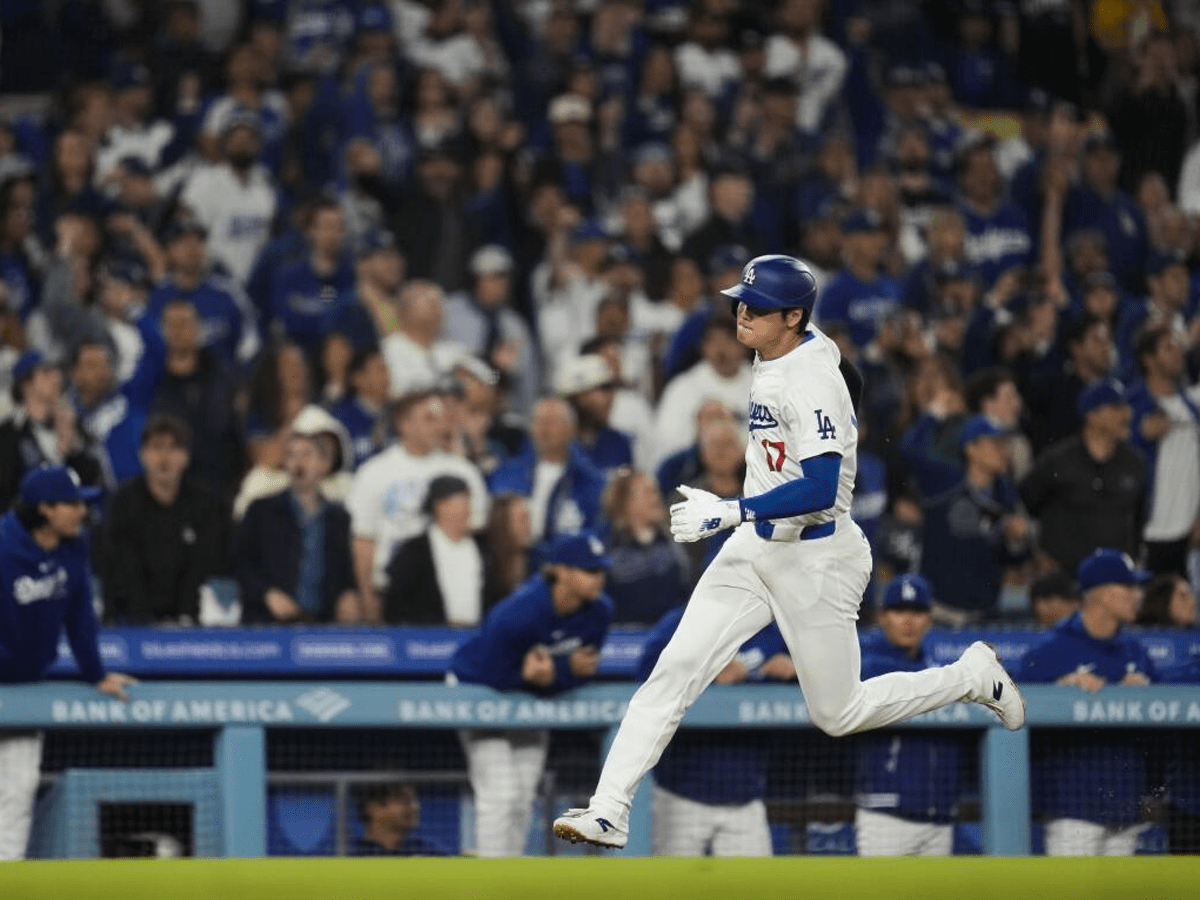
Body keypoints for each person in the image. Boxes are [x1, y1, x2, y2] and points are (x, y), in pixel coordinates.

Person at [553, 255, 1025, 850]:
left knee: (838, 713)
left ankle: (969, 677)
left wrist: (731, 509)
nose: (741, 313)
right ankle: (609, 808)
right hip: (755, 546)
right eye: (740, 302)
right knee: (672, 671)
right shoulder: (782, 347)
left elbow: (824, 487)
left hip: (817, 557)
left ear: (794, 316)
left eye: (757, 307)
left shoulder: (811, 378)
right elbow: (841, 370)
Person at [0, 466, 137, 860]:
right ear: (45, 509)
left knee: (19, 791)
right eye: (73, 505)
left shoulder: (74, 547)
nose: (82, 512)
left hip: (26, 690)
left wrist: (95, 673)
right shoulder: (4, 548)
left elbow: (80, 616)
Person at [449, 531, 614, 858]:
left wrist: (555, 674)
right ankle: (489, 884)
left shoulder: (600, 612)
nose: (599, 579)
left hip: (533, 696)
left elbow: (581, 673)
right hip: (479, 689)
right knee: (500, 792)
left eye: (600, 570)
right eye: (589, 570)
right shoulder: (517, 614)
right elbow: (490, 673)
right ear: (561, 572)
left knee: (523, 793)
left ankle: (510, 880)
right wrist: (541, 675)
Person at [1019, 548, 1157, 856]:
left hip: (1125, 807)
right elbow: (1008, 704)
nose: (1138, 595)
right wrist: (1057, 690)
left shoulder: (1136, 652)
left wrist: (1145, 694)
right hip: (1072, 810)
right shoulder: (1051, 649)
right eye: (1130, 587)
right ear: (1104, 595)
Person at [641, 608, 793, 857]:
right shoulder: (680, 623)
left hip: (745, 796)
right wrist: (708, 671)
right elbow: (647, 675)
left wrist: (794, 672)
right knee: (672, 890)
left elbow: (818, 672)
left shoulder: (771, 631)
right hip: (682, 795)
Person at [346, 389, 488, 622]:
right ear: (404, 423)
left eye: (440, 419)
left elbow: (477, 532)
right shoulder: (374, 473)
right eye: (428, 419)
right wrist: (366, 595)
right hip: (391, 588)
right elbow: (363, 539)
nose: (438, 427)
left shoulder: (462, 471)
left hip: (447, 590)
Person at [855, 574, 964, 856]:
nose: (908, 620)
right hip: (886, 816)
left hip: (939, 816)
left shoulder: (937, 668)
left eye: (917, 612)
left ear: (929, 619)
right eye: (899, 610)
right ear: (882, 617)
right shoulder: (866, 663)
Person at [99, 413, 231, 624]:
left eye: (173, 448)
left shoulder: (207, 506)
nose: (164, 457)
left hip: (190, 623)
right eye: (156, 447)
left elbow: (203, 567)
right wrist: (146, 623)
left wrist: (184, 619)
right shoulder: (122, 504)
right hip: (133, 625)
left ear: (186, 457)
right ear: (142, 454)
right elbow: (122, 569)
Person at [1020, 380, 1147, 574]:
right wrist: (1035, 553)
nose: (1127, 413)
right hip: (1064, 578)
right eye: (1116, 407)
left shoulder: (1135, 463)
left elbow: (1140, 518)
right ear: (1092, 415)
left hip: (1115, 578)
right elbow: (1023, 504)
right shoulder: (1057, 460)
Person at [234, 427, 359, 624]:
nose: (298, 463)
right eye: (291, 455)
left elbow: (345, 572)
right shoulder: (261, 510)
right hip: (267, 623)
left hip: (321, 625)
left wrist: (348, 594)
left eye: (307, 455)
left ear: (325, 464)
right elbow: (240, 562)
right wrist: (266, 593)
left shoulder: (339, 518)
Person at [919, 415, 1033, 624]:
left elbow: (1016, 558)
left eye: (1004, 445)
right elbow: (910, 452)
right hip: (939, 612)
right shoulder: (945, 486)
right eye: (995, 444)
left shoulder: (1007, 498)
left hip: (985, 616)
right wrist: (932, 416)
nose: (1003, 451)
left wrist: (1016, 541)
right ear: (971, 449)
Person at [382, 476, 487, 626]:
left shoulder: (483, 548)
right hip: (430, 641)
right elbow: (397, 606)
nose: (468, 509)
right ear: (440, 506)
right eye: (462, 501)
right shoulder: (413, 552)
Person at [350, 782, 449, 856]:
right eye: (404, 801)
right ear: (372, 808)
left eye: (413, 801)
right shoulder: (352, 856)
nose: (414, 808)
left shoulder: (427, 853)